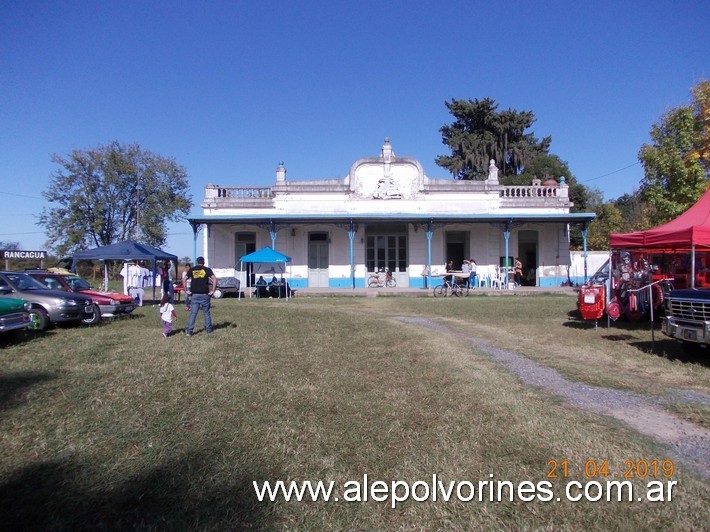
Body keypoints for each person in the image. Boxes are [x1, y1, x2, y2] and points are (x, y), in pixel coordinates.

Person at [185, 256, 217, 336]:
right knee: (206, 313)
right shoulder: (207, 270)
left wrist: (186, 290)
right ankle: (209, 330)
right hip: (205, 295)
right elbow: (215, 279)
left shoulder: (192, 270)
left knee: (193, 313)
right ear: (204, 262)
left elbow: (184, 279)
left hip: (195, 295)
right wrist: (213, 290)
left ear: (197, 262)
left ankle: (189, 331)